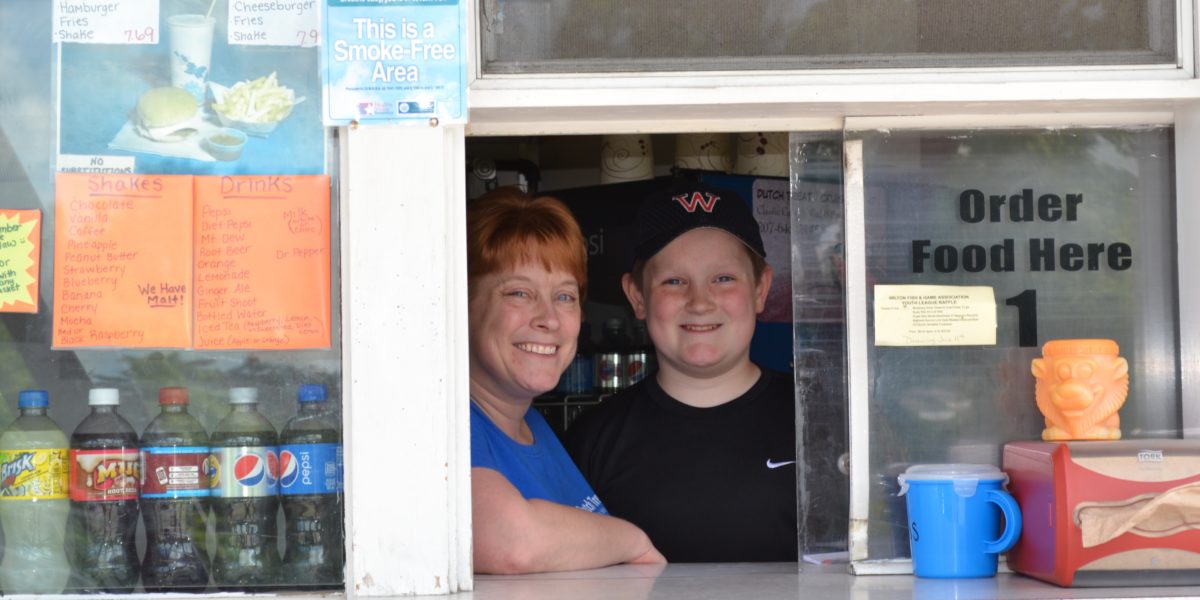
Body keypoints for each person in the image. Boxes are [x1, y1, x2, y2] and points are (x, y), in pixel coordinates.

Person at [565, 180, 799, 563]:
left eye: (723, 279)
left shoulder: (819, 425)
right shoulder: (591, 442)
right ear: (637, 296)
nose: (700, 302)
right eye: (674, 281)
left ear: (760, 289)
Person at [467, 187, 665, 574]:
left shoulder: (532, 425)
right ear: (464, 304)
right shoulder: (447, 424)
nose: (550, 319)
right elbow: (511, 541)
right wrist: (632, 540)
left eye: (565, 296)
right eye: (520, 293)